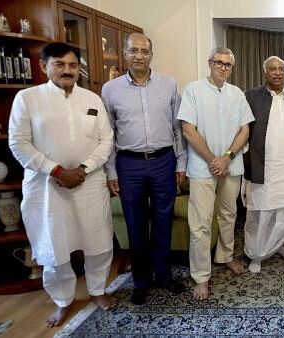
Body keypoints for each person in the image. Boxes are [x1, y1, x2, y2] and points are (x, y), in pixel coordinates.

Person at [9, 42, 115, 327]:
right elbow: (18, 143)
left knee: (99, 242)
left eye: (72, 65)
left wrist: (83, 169)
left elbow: (106, 140)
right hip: (46, 187)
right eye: (59, 64)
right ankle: (62, 300)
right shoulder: (27, 98)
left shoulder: (92, 99)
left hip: (89, 182)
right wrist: (55, 170)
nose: (67, 70)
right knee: (54, 247)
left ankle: (97, 290)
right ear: (45, 67)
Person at [102, 33, 187, 305]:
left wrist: (181, 163)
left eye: (145, 51)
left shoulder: (170, 85)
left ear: (152, 54)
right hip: (129, 164)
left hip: (164, 161)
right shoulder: (110, 89)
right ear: (124, 54)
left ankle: (163, 275)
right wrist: (111, 171)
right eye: (133, 50)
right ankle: (140, 281)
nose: (139, 55)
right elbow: (107, 134)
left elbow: (178, 130)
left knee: (163, 221)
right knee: (135, 224)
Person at [177, 47, 254, 300]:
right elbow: (188, 129)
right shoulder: (193, 90)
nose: (223, 67)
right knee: (200, 224)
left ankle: (226, 256)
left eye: (228, 64)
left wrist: (227, 157)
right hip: (202, 168)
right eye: (219, 63)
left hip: (231, 165)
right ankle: (201, 277)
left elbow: (245, 129)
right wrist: (213, 160)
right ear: (209, 64)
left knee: (228, 215)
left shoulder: (237, 93)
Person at [243, 56, 284, 273]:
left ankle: (276, 245)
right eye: (272, 69)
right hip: (263, 167)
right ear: (265, 72)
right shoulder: (250, 96)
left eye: (281, 69)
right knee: (262, 213)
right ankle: (257, 254)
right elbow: (243, 131)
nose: (277, 73)